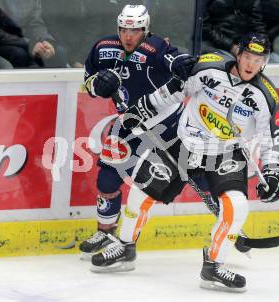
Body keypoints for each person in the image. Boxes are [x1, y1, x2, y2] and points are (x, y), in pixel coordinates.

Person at [92, 33, 279, 292]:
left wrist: (273, 173)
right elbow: (171, 92)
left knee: (237, 207)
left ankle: (213, 266)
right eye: (247, 57)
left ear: (265, 62)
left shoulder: (266, 96)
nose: (250, 64)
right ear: (238, 54)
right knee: (139, 192)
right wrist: (141, 110)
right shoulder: (208, 68)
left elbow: (272, 139)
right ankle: (125, 247)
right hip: (183, 142)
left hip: (225, 153)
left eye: (257, 60)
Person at [78, 4, 197, 259]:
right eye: (123, 30)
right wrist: (98, 85)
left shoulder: (156, 48)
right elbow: (88, 81)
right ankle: (107, 232)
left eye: (135, 30)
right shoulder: (103, 48)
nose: (128, 36)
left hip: (167, 125)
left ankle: (230, 220)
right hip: (129, 124)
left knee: (196, 177)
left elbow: (173, 59)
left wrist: (182, 63)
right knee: (107, 179)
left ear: (146, 29)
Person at [0, 0, 68, 67]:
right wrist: (30, 44)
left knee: (59, 53)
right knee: (20, 55)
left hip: (27, 40)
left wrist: (46, 41)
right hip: (1, 41)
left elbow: (35, 23)